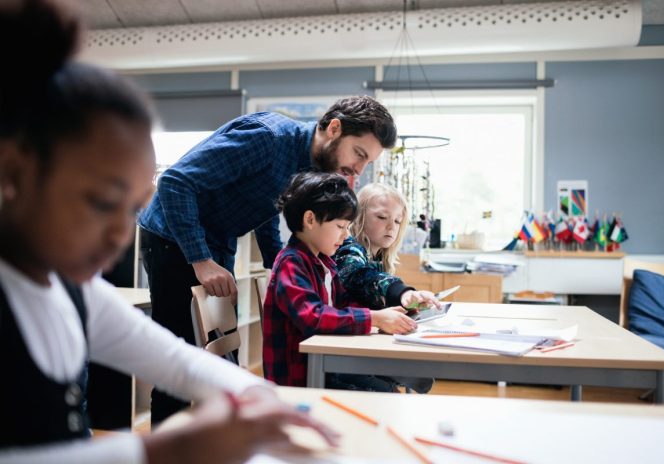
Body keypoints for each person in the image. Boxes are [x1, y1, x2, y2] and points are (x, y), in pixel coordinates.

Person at [0, 1, 337, 462]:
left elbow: (177, 360)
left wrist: (258, 396)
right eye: (100, 202)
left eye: (134, 208)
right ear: (13, 174)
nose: (119, 235)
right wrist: (164, 450)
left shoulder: (74, 292)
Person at [137, 95, 397, 422]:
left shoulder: (307, 165)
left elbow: (265, 209)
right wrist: (201, 260)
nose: (358, 170)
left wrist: (281, 266)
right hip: (170, 235)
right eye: (359, 154)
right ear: (334, 129)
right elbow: (175, 182)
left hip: (217, 238)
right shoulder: (268, 139)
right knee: (178, 361)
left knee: (217, 361)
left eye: (367, 162)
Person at [263, 172, 417, 390]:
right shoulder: (291, 263)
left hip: (324, 364)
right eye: (340, 226)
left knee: (388, 382)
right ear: (310, 220)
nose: (346, 236)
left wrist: (385, 315)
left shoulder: (324, 262)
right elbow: (313, 316)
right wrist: (372, 318)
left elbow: (344, 302)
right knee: (383, 390)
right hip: (300, 378)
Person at [334, 183, 438, 393]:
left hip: (361, 344)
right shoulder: (348, 249)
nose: (391, 226)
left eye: (398, 221)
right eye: (382, 218)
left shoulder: (378, 257)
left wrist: (410, 303)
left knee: (413, 374)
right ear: (359, 217)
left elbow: (375, 295)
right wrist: (402, 292)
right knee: (393, 390)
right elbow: (361, 276)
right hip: (344, 352)